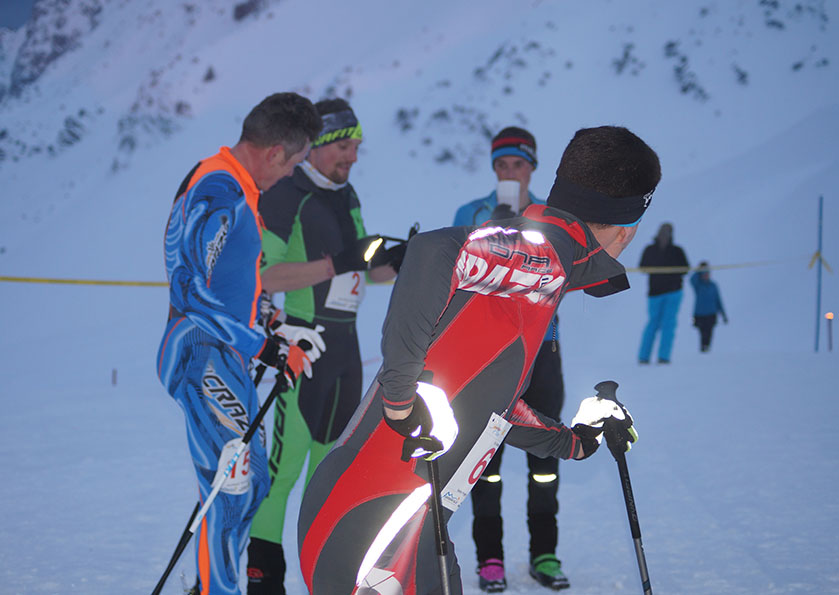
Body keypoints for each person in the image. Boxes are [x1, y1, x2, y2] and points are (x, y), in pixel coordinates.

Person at [297, 125, 660, 595]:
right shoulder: (545, 258)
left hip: (400, 521)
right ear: (627, 228)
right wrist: (401, 399)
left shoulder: (543, 268)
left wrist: (574, 442)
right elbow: (432, 250)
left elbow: (492, 408)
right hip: (374, 527)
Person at [155, 92, 324, 595]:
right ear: (274, 152)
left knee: (251, 487)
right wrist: (260, 345)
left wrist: (274, 329)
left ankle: (209, 584)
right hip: (201, 353)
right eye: (293, 163)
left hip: (224, 354)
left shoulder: (237, 187)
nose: (290, 174)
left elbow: (232, 286)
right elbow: (188, 289)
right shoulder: (219, 188)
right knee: (230, 492)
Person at [247, 98, 405, 595]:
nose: (353, 157)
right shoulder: (287, 192)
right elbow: (263, 276)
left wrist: (401, 260)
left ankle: (327, 582)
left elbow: (365, 267)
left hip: (345, 352)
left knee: (331, 478)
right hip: (304, 346)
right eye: (344, 146)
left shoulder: (346, 193)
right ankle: (264, 583)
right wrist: (338, 263)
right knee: (283, 473)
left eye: (357, 147)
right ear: (316, 145)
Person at [452, 126, 569, 592]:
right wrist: (493, 231)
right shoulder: (470, 214)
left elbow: (562, 278)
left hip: (542, 350)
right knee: (486, 461)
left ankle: (545, 554)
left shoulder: (551, 219)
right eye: (501, 165)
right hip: (489, 353)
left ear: (532, 167)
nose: (509, 172)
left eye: (517, 164)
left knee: (545, 456)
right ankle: (490, 560)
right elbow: (459, 279)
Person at [637, 222, 689, 364]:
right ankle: (643, 357)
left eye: (667, 232)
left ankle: (663, 357)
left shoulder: (677, 251)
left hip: (673, 292)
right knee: (653, 323)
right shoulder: (650, 250)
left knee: (669, 324)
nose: (664, 234)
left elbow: (685, 269)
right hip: (655, 293)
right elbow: (642, 267)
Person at [690, 261, 727, 352]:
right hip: (700, 314)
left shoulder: (713, 285)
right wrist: (698, 270)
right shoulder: (698, 285)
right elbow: (692, 279)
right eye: (704, 273)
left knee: (709, 332)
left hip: (711, 314)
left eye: (707, 273)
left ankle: (707, 349)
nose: (706, 275)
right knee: (702, 333)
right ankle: (703, 348)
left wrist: (723, 314)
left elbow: (718, 300)